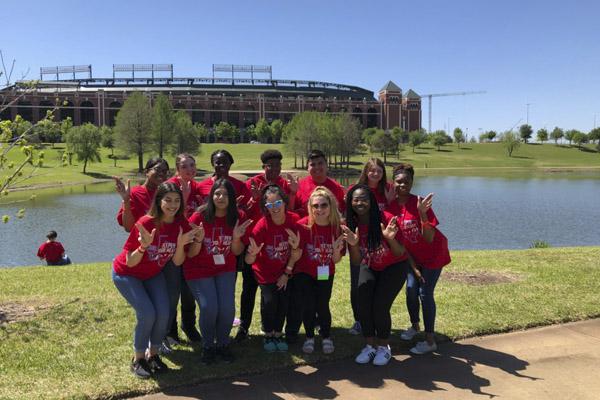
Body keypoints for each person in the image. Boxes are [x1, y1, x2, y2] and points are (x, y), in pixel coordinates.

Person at [111, 182, 199, 379]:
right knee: (147, 313)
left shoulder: (180, 223)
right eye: (168, 200)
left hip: (152, 274)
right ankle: (138, 359)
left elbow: (177, 261)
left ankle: (154, 355)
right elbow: (130, 262)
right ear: (159, 201)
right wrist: (143, 247)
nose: (172, 204)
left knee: (164, 312)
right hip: (127, 273)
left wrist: (180, 244)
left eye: (177, 200)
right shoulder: (146, 223)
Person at [185, 179, 253, 364]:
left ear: (232, 197)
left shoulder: (238, 216)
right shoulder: (198, 217)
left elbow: (237, 252)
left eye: (225, 194)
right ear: (211, 196)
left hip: (225, 268)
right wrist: (198, 240)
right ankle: (208, 346)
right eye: (217, 193)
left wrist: (237, 237)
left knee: (227, 308)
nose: (221, 197)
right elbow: (190, 254)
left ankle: (223, 344)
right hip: (198, 269)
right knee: (209, 307)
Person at [342, 184, 410, 366]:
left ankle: (383, 347)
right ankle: (370, 346)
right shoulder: (351, 225)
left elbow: (399, 252)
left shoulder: (386, 219)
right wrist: (354, 244)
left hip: (394, 267)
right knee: (363, 302)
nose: (359, 202)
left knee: (380, 306)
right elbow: (356, 261)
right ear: (350, 203)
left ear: (371, 201)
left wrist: (389, 238)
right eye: (355, 199)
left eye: (364, 198)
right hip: (371, 265)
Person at [387, 163, 451, 355]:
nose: (402, 185)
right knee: (410, 289)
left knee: (425, 293)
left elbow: (429, 238)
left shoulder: (421, 203)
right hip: (413, 257)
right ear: (393, 183)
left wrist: (422, 213)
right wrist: (414, 268)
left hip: (434, 254)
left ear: (412, 182)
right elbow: (401, 243)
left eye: (407, 181)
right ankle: (415, 327)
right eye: (399, 181)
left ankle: (430, 340)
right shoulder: (391, 208)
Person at [236, 149, 298, 342]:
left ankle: (270, 328)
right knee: (249, 289)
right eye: (270, 166)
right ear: (264, 167)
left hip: (276, 243)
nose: (275, 169)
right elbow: (242, 211)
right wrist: (254, 199)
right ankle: (244, 327)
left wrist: (294, 192)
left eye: (278, 165)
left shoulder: (284, 185)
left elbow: (291, 210)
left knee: (272, 292)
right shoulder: (252, 183)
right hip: (253, 243)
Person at [245, 184, 302, 352]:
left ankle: (278, 334)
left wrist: (286, 273)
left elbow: (296, 252)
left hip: (286, 269)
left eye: (278, 203)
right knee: (270, 302)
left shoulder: (293, 220)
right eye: (270, 205)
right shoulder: (262, 226)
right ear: (265, 207)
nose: (275, 208)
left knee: (283, 302)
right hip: (265, 272)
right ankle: (268, 334)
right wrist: (253, 254)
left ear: (284, 202)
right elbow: (249, 261)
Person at [346, 158, 395, 336]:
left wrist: (390, 201)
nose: (375, 174)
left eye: (379, 171)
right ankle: (359, 320)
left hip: (379, 247)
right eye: (372, 170)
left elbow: (391, 216)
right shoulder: (355, 189)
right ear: (366, 171)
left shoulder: (387, 190)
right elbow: (348, 213)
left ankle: (376, 319)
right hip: (359, 241)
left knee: (375, 285)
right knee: (356, 283)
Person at [295, 187, 344, 354]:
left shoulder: (337, 227)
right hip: (304, 272)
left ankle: (326, 336)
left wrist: (336, 250)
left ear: (330, 206)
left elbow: (336, 260)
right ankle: (309, 337)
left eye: (323, 205)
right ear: (310, 207)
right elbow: (296, 251)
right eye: (315, 206)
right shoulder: (302, 226)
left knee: (322, 305)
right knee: (308, 306)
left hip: (325, 272)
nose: (320, 209)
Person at [165, 153, 203, 344]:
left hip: (192, 250)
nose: (190, 169)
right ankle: (170, 331)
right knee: (172, 292)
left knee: (189, 292)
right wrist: (185, 198)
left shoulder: (198, 186)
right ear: (177, 170)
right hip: (173, 249)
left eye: (192, 165)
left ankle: (188, 325)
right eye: (185, 166)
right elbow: (170, 217)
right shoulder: (170, 187)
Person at [113, 157, 170, 232]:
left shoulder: (168, 194)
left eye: (164, 171)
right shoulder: (134, 193)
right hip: (141, 242)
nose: (161, 173)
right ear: (146, 172)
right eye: (157, 169)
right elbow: (129, 228)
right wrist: (126, 201)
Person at [293, 150, 345, 217]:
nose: (317, 167)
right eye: (313, 164)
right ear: (308, 168)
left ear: (326, 165)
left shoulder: (336, 187)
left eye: (320, 163)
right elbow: (292, 212)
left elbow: (342, 212)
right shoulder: (298, 187)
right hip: (305, 226)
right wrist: (292, 193)